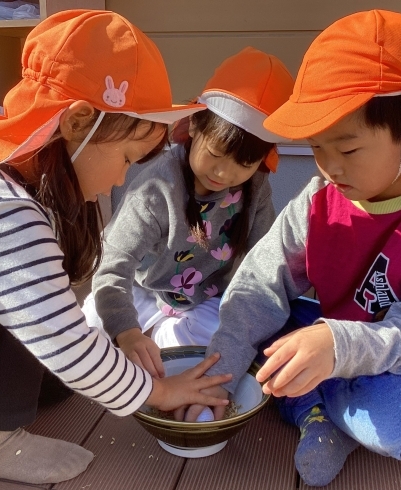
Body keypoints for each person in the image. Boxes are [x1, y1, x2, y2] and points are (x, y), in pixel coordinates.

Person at [0, 10, 233, 485]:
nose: (122, 178)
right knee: (38, 318)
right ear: (78, 121)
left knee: (53, 379)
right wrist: (158, 392)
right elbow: (63, 340)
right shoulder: (0, 211)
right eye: (125, 158)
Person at [200, 10, 401, 487]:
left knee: (398, 420)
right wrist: (214, 380)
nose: (328, 168)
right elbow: (261, 284)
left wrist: (334, 348)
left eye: (347, 149)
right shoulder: (321, 196)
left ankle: (308, 406)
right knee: (246, 324)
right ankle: (319, 413)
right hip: (338, 330)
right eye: (316, 148)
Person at [81, 47, 294, 382]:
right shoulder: (157, 188)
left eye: (245, 164)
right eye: (216, 154)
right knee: (96, 314)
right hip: (148, 291)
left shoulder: (256, 189)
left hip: (207, 297)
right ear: (194, 124)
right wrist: (128, 332)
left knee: (232, 332)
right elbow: (114, 264)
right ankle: (158, 346)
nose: (224, 174)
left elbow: (261, 262)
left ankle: (159, 349)